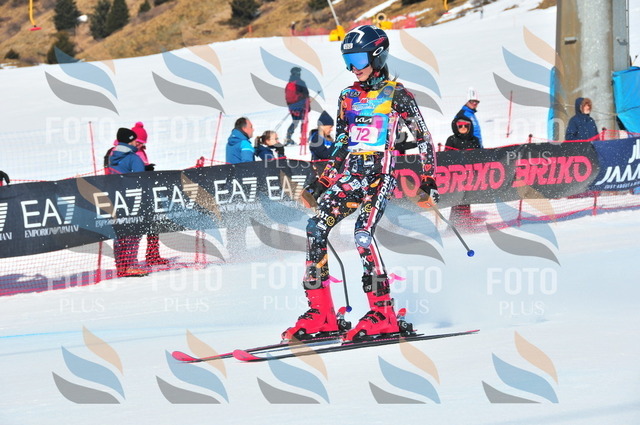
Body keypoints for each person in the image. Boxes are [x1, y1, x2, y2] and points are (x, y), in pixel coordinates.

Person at [282, 25, 439, 343]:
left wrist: (428, 179)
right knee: (315, 228)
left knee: (362, 235)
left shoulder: (397, 95)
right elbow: (341, 144)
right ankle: (322, 313)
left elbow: (423, 138)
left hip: (379, 178)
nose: (353, 68)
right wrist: (322, 183)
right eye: (348, 61)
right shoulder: (348, 97)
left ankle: (383, 312)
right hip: (350, 178)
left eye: (358, 59)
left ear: (378, 56)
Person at [108, 128, 148, 278]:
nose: (136, 142)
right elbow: (140, 179)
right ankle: (131, 265)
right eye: (134, 139)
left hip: (115, 199)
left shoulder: (111, 155)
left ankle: (121, 266)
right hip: (132, 200)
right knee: (134, 232)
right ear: (130, 140)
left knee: (119, 233)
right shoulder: (133, 158)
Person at [130, 122, 169, 266]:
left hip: (146, 192)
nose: (140, 144)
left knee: (153, 223)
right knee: (136, 228)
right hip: (135, 194)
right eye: (138, 141)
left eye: (142, 142)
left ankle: (153, 254)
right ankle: (129, 260)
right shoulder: (129, 153)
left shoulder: (140, 151)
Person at [445, 116, 481, 230]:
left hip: (470, 174)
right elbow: (446, 157)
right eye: (460, 126)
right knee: (457, 199)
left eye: (466, 126)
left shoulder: (474, 140)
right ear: (456, 127)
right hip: (456, 175)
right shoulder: (452, 140)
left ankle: (466, 223)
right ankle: (454, 224)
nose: (463, 128)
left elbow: (479, 156)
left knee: (467, 198)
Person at [284, 67, 310, 146]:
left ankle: (288, 137)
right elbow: (306, 94)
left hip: (292, 107)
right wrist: (307, 106)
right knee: (304, 121)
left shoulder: (289, 84)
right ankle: (303, 139)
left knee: (295, 122)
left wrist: (290, 107)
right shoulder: (300, 82)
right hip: (301, 106)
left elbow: (287, 97)